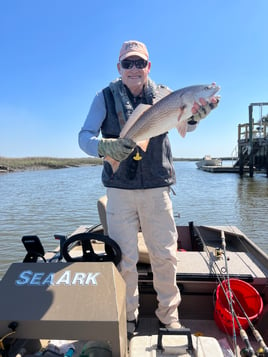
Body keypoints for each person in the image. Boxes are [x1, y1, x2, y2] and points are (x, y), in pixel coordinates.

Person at [79, 40, 218, 334]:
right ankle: (128, 316)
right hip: (119, 191)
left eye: (139, 63)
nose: (134, 68)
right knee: (124, 258)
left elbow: (185, 124)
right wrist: (104, 147)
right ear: (119, 67)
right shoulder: (103, 97)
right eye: (127, 63)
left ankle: (170, 317)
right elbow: (84, 137)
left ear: (148, 66)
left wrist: (195, 118)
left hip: (157, 187)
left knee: (165, 255)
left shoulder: (165, 94)